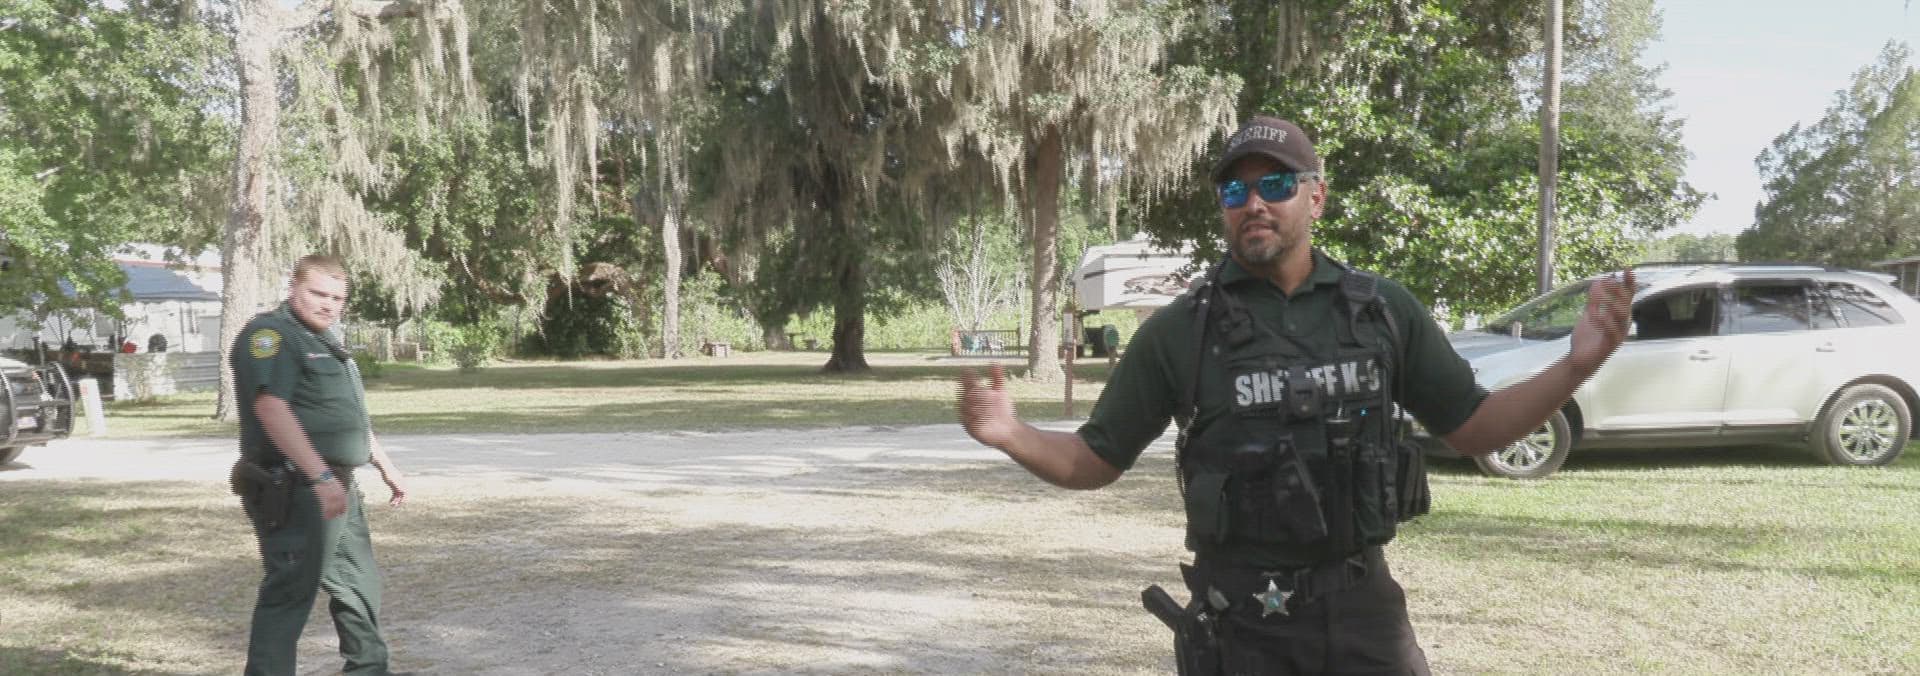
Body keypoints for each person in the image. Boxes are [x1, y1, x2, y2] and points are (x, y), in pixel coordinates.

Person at [956, 116, 1633, 674]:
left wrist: (1576, 365)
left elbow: (1475, 427)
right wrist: (1010, 433)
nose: (1254, 203)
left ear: (1315, 197)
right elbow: (1095, 459)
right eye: (1235, 191)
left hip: (1364, 612)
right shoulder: (1180, 331)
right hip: (1242, 626)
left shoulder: (1383, 311)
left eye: (1275, 184)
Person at [229, 254, 411, 675]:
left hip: (336, 485)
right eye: (318, 294)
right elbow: (271, 408)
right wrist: (321, 476)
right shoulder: (271, 336)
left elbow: (345, 414)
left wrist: (385, 465)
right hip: (297, 488)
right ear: (293, 287)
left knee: (358, 584)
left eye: (337, 298)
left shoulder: (324, 341)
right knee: (290, 594)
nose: (329, 305)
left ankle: (369, 669)